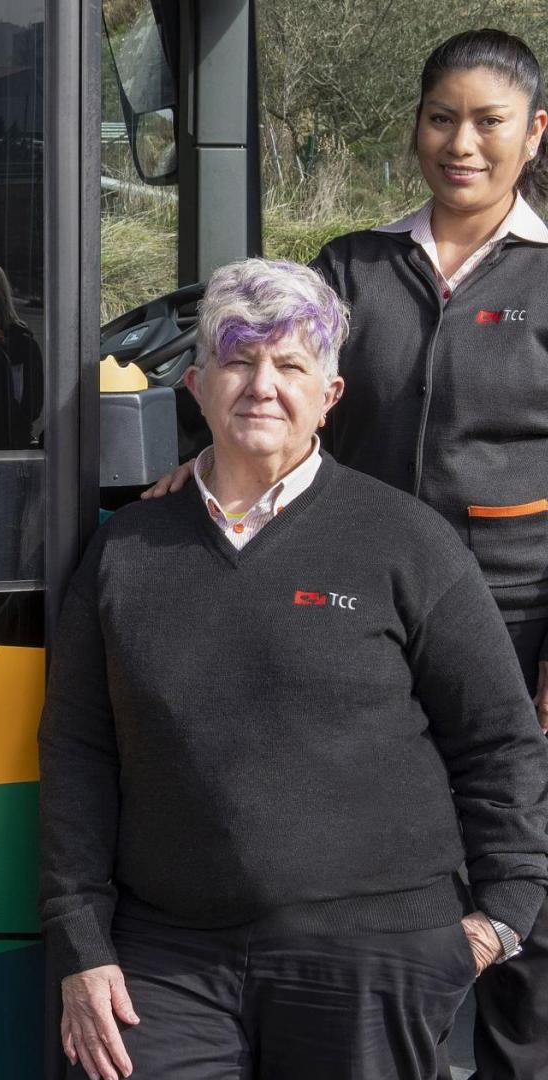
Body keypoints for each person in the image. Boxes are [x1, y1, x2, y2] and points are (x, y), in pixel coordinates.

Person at [143, 31, 548, 1075]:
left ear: (534, 134)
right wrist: (191, 472)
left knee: (520, 875)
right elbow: (268, 381)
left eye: (490, 121)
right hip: (351, 609)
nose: (462, 143)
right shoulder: (354, 267)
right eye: (442, 118)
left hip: (515, 619)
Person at [44, 258, 548, 1080]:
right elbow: (76, 755)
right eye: (239, 360)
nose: (261, 386)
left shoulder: (408, 544)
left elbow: (501, 741)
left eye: (290, 365)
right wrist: (80, 944)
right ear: (198, 385)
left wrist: (502, 917)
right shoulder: (126, 553)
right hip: (168, 959)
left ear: (330, 396)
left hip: (374, 954)